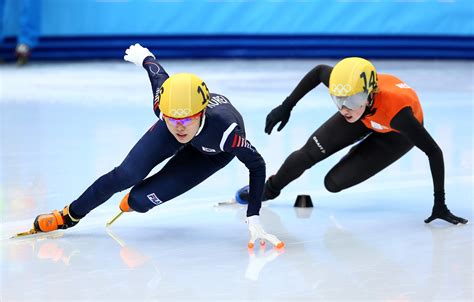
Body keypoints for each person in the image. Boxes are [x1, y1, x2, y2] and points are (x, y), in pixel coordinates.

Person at [26, 44, 284, 248]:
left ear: (202, 112)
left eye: (186, 120)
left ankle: (134, 201)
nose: (179, 126)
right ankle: (68, 215)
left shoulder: (227, 133)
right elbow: (157, 74)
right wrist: (146, 58)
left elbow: (257, 165)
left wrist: (254, 217)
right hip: (182, 130)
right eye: (172, 119)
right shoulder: (165, 107)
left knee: (138, 201)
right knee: (125, 175)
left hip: (210, 153)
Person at [237, 57, 468, 225]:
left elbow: (434, 152)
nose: (344, 108)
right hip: (365, 117)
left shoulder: (400, 115)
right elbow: (319, 72)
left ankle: (365, 147)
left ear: (369, 94)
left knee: (333, 183)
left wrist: (440, 203)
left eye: (352, 100)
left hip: (395, 135)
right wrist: (287, 105)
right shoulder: (349, 95)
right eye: (338, 101)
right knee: (308, 153)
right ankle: (268, 190)